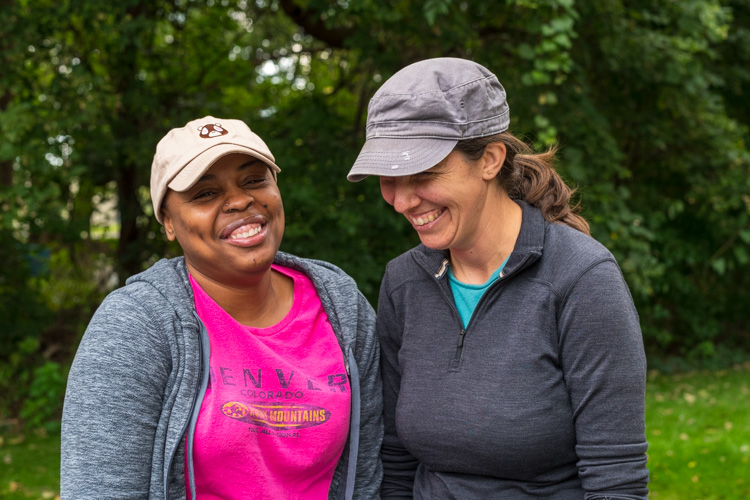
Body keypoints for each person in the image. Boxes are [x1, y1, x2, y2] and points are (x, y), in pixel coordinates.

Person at [347, 58, 649, 499]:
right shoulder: (403, 281)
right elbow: (394, 458)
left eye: (423, 174)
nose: (401, 201)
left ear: (490, 159)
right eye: (388, 180)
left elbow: (616, 478)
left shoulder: (582, 278)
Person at [61, 116, 383, 499]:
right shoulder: (136, 324)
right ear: (168, 221)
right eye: (205, 194)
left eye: (253, 180)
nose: (240, 200)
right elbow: (101, 489)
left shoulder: (341, 305)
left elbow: (367, 476)